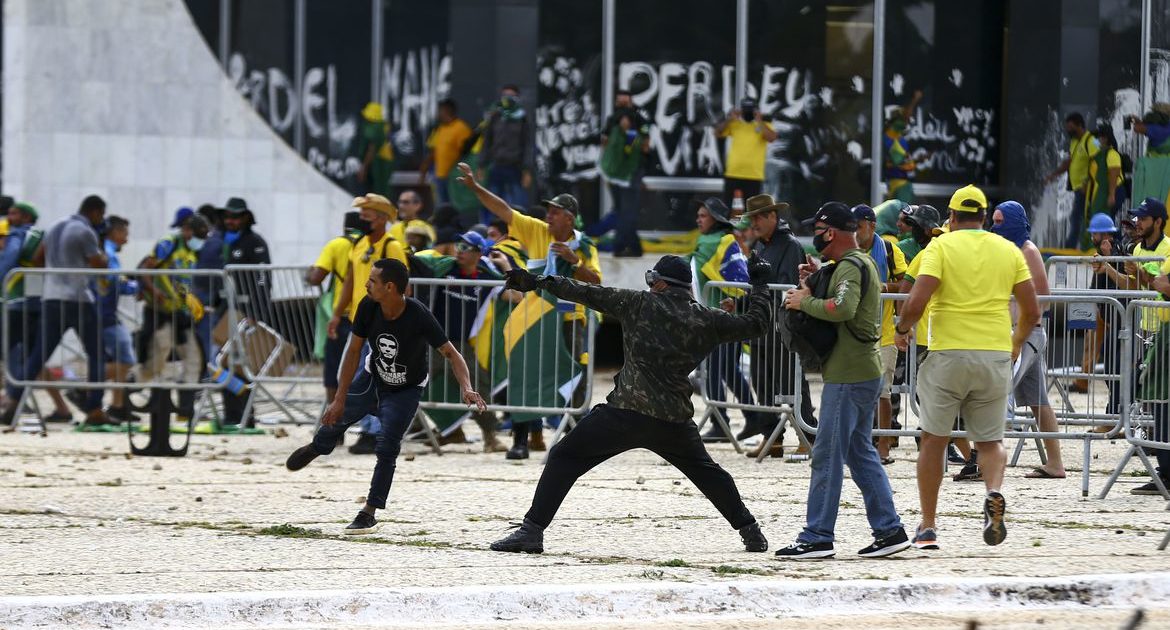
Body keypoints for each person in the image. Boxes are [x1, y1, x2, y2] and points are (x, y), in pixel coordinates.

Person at [488, 254, 774, 554]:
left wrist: (538, 281)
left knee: (563, 457)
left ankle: (532, 531)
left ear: (660, 283)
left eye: (652, 280)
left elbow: (585, 292)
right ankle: (750, 530)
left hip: (625, 413)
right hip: (673, 419)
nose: (650, 286)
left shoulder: (639, 303)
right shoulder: (707, 318)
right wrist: (760, 284)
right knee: (708, 474)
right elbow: (757, 324)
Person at [286, 259, 487, 534]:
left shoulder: (418, 315)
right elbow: (354, 352)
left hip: (405, 390)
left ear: (390, 287)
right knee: (334, 421)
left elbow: (452, 353)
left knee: (387, 446)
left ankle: (368, 511)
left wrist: (466, 387)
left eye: (372, 281)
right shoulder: (368, 307)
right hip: (372, 379)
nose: (366, 285)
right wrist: (339, 398)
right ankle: (318, 447)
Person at [895, 184, 1041, 548]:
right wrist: (1016, 343)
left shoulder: (941, 246)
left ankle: (928, 527)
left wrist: (901, 330)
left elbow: (916, 300)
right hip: (994, 353)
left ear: (953, 217)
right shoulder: (1008, 250)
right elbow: (1032, 309)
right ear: (983, 217)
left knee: (933, 439)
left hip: (948, 354)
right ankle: (993, 491)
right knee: (990, 442)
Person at [773, 203, 909, 560]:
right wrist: (814, 281)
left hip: (849, 376)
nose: (814, 236)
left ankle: (817, 535)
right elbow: (839, 298)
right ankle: (890, 529)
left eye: (817, 229)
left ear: (830, 232)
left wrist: (804, 303)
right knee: (859, 452)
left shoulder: (851, 265)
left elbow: (844, 308)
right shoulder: (852, 265)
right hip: (858, 371)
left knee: (827, 454)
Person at [456, 162, 600, 459]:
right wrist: (474, 188)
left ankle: (573, 441)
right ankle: (521, 440)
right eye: (548, 212)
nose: (548, 217)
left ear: (569, 218)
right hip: (533, 318)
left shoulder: (585, 246)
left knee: (574, 378)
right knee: (524, 374)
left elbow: (596, 281)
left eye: (554, 212)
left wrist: (574, 261)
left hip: (570, 319)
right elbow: (504, 210)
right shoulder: (537, 231)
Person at [2, 196, 111, 427]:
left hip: (51, 298)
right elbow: (98, 264)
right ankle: (94, 408)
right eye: (100, 215)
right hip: (78, 299)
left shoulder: (54, 227)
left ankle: (14, 401)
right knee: (97, 354)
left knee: (37, 356)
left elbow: (37, 258)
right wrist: (103, 254)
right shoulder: (85, 231)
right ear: (95, 212)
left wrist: (55, 269)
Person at [732, 194, 817, 456]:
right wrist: (740, 305)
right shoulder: (759, 246)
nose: (753, 223)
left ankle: (809, 436)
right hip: (761, 326)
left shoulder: (790, 246)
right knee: (763, 384)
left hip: (782, 327)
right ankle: (773, 439)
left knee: (792, 382)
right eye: (751, 218)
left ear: (772, 216)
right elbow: (759, 286)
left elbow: (784, 284)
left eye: (758, 217)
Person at [329, 193, 409, 454]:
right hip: (359, 321)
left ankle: (373, 432)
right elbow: (350, 282)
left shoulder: (392, 246)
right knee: (355, 377)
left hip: (383, 323)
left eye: (367, 214)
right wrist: (336, 313)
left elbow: (403, 287)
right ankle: (363, 429)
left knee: (374, 379)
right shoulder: (359, 243)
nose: (361, 218)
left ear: (382, 218)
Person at [990, 201, 1065, 479]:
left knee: (996, 390)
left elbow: (1043, 296)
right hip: (1021, 332)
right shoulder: (1009, 250)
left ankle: (984, 457)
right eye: (993, 221)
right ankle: (1055, 463)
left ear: (1012, 221)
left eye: (999, 221)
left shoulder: (1028, 250)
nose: (995, 226)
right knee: (1038, 402)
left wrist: (1017, 326)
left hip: (1026, 334)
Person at [1101, 198, 1170, 494]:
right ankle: (1163, 466)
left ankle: (1166, 471)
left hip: (1166, 333)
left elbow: (1163, 285)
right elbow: (1134, 287)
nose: (1138, 224)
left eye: (1143, 219)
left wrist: (1141, 275)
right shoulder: (1137, 250)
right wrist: (1110, 269)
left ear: (1158, 221)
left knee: (1163, 402)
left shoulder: (1168, 248)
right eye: (1137, 219)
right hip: (1147, 331)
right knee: (1155, 402)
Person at [417, 231, 507, 452]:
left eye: (465, 247)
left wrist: (505, 266)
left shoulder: (487, 274)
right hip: (433, 339)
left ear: (478, 253)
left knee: (477, 385)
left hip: (459, 343)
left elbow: (515, 294)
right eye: (458, 244)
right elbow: (416, 262)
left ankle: (490, 436)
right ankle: (446, 429)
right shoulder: (446, 266)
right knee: (411, 382)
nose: (459, 250)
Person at [689, 198, 757, 442]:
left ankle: (720, 423)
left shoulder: (715, 242)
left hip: (722, 318)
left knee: (715, 370)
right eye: (698, 215)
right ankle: (754, 416)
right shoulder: (726, 241)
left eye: (703, 216)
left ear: (715, 219)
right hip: (727, 317)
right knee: (728, 370)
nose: (699, 219)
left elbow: (693, 270)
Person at [138, 215, 209, 424]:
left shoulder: (191, 253)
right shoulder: (168, 244)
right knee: (156, 362)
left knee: (194, 360)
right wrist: (154, 292)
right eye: (198, 236)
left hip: (179, 315)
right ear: (187, 230)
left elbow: (178, 280)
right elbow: (145, 269)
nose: (200, 240)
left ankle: (184, 412)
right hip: (159, 313)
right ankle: (127, 391)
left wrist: (188, 298)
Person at [852, 204, 907, 464]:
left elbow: (906, 285)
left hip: (884, 331)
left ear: (872, 225)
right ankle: (858, 442)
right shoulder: (846, 249)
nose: (855, 231)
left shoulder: (888, 249)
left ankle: (884, 443)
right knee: (853, 389)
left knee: (882, 392)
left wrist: (884, 287)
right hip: (853, 331)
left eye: (858, 226)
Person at [220, 197, 273, 427]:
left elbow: (263, 280)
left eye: (235, 217)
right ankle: (232, 413)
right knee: (223, 363)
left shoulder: (255, 242)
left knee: (243, 365)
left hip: (246, 313)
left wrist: (256, 314)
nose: (230, 221)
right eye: (228, 217)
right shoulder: (224, 241)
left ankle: (244, 415)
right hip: (227, 311)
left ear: (245, 217)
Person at [307, 211, 364, 410]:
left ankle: (334, 422)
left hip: (343, 316)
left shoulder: (336, 245)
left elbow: (316, 278)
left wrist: (308, 273)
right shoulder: (369, 245)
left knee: (334, 371)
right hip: (367, 315)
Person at [96, 215, 139, 423]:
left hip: (103, 312)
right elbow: (115, 282)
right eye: (124, 234)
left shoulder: (105, 249)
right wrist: (139, 287)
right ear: (114, 232)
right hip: (105, 314)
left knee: (116, 359)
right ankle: (85, 385)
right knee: (126, 359)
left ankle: (118, 405)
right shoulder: (109, 252)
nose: (127, 239)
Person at [599, 105, 650, 257]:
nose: (624, 122)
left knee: (627, 214)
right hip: (617, 177)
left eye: (626, 119)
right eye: (622, 119)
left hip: (627, 178)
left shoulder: (632, 137)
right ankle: (632, 247)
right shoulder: (617, 133)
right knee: (624, 213)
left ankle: (623, 246)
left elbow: (633, 157)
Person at [1046, 113, 1100, 250]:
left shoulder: (1092, 141)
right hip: (1078, 188)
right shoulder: (1075, 141)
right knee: (1078, 217)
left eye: (1071, 128)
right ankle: (1077, 246)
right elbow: (1069, 162)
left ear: (1080, 125)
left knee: (1078, 217)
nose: (1068, 131)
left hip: (1088, 189)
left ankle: (1073, 246)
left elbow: (1099, 162)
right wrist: (1054, 175)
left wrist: (1087, 182)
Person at [478, 85, 533, 212]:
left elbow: (527, 145)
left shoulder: (522, 118)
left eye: (511, 96)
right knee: (492, 204)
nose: (507, 99)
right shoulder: (495, 116)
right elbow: (487, 141)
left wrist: (527, 170)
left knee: (517, 206)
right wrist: (481, 165)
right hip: (496, 166)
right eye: (505, 95)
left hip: (515, 167)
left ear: (517, 98)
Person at [715, 97, 777, 204]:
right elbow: (717, 133)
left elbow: (771, 138)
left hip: (753, 175)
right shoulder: (735, 124)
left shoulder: (764, 125)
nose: (748, 112)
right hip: (733, 173)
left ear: (756, 110)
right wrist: (730, 118)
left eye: (750, 109)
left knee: (751, 212)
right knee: (725, 209)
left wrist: (759, 121)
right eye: (746, 109)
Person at [420, 99, 473, 205]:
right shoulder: (440, 128)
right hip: (439, 175)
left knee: (454, 205)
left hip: (454, 176)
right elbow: (433, 150)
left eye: (440, 110)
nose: (438, 114)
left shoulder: (461, 128)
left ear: (447, 110)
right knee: (441, 205)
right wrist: (424, 168)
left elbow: (466, 153)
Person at [883, 90, 924, 203]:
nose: (905, 122)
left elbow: (906, 163)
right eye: (901, 119)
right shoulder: (886, 139)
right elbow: (894, 162)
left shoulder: (901, 140)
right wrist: (914, 100)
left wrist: (917, 161)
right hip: (893, 184)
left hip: (903, 182)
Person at [1086, 125, 1127, 221]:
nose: (1096, 140)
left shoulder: (1111, 154)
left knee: (1106, 220)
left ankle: (1115, 236)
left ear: (1105, 138)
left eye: (1099, 137)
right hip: (1107, 191)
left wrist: (1112, 194)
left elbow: (1114, 174)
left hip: (1115, 190)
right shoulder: (1101, 153)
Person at [357, 101, 394, 197]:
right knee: (383, 190)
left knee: (377, 192)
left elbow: (372, 148)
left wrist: (364, 167)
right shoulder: (383, 125)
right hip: (385, 160)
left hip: (378, 162)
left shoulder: (375, 128)